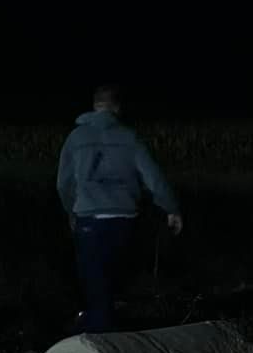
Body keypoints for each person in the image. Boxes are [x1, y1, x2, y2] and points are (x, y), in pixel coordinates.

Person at [56, 85, 183, 333]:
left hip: (89, 217)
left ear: (94, 106)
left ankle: (99, 334)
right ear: (117, 108)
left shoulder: (76, 138)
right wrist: (171, 208)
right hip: (123, 216)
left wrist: (72, 211)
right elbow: (153, 177)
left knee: (93, 278)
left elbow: (64, 183)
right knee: (114, 276)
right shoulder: (129, 136)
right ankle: (104, 328)